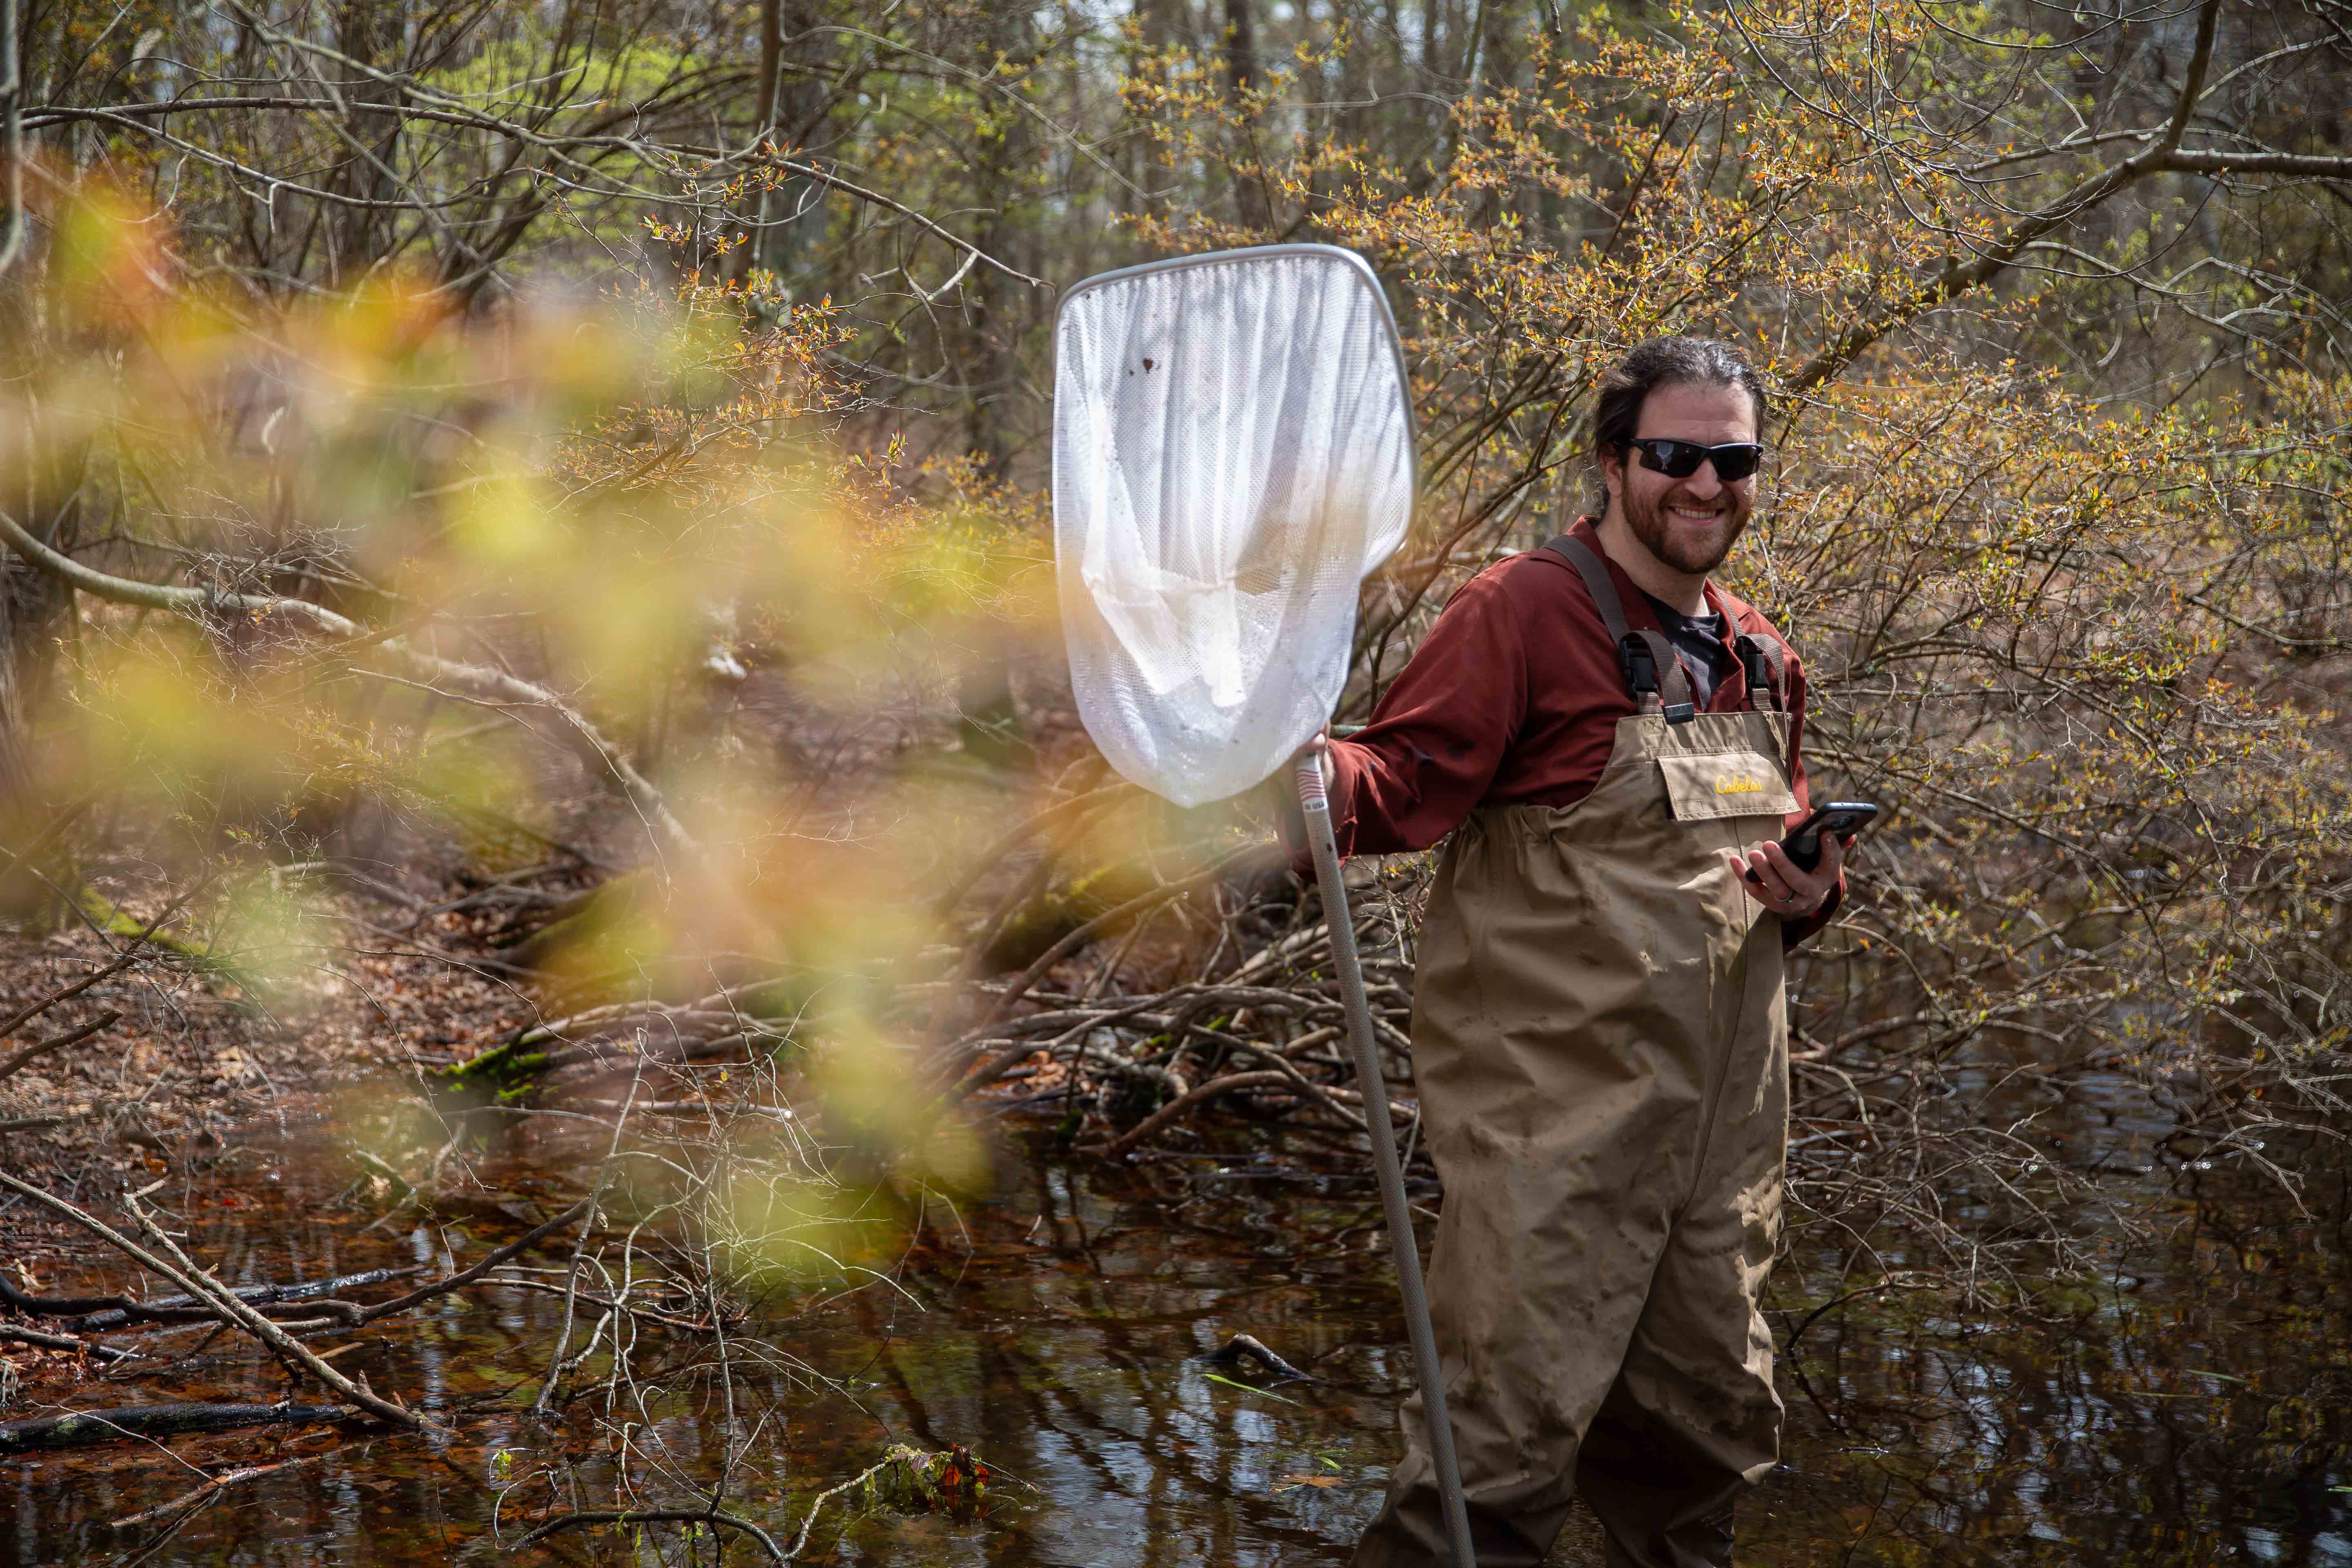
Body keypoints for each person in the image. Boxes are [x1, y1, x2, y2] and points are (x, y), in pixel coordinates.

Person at [1314, 336, 1847, 1568]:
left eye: (1734, 459)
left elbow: (1789, 858)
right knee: (1495, 1450)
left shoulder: (1761, 653)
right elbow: (1396, 788)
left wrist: (1813, 887)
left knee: (1701, 1437)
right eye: (1674, 457)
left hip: (1718, 1144)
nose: (1706, 486)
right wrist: (1288, 763)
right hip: (1549, 1128)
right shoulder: (1522, 611)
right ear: (1615, 464)